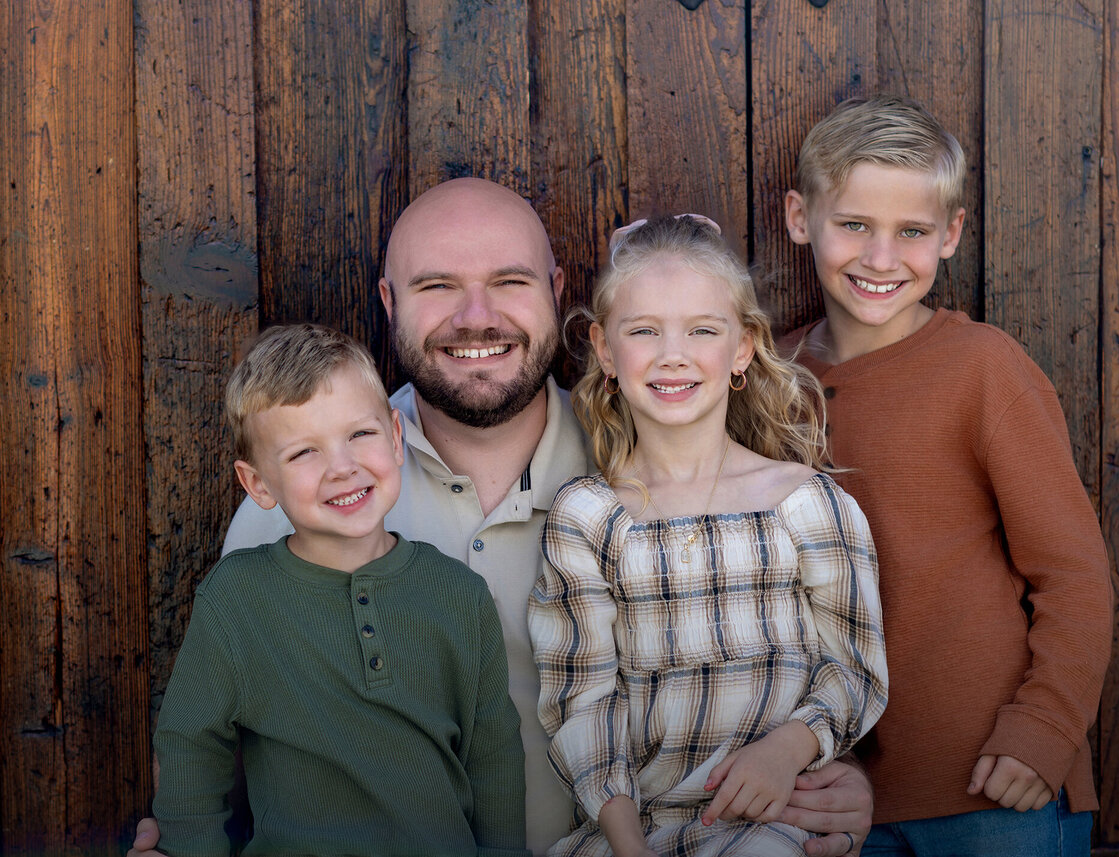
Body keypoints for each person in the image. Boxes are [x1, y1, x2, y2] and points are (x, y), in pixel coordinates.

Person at [131, 177, 875, 857]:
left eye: (509, 282)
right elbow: (210, 738)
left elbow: (796, 657)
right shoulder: (308, 496)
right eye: (438, 286)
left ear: (556, 292)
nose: (476, 317)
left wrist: (833, 778)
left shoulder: (646, 476)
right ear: (390, 303)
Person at [778, 94, 1113, 856]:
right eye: (855, 224)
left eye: (913, 232)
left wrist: (1046, 728)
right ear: (801, 218)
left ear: (951, 234)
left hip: (995, 784)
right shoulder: (769, 378)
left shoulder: (983, 369)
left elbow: (1073, 574)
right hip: (831, 796)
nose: (881, 257)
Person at [528, 215, 888, 856]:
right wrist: (628, 844)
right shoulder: (587, 516)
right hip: (632, 830)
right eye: (643, 331)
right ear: (606, 351)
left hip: (771, 819)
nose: (673, 353)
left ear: (744, 347)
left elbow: (854, 668)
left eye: (702, 330)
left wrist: (786, 750)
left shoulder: (807, 504)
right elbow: (584, 702)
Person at [152, 323, 528, 856]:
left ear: (396, 439)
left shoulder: (459, 594)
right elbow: (192, 746)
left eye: (360, 435)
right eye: (304, 452)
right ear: (258, 484)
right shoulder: (237, 600)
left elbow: (494, 760)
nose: (343, 468)